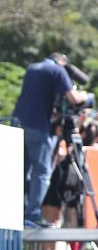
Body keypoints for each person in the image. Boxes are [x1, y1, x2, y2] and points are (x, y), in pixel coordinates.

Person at [12, 53, 91, 227]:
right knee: (42, 172)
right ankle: (32, 215)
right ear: (62, 62)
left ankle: (16, 212)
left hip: (18, 124)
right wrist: (86, 96)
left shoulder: (32, 68)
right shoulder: (57, 70)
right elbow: (72, 98)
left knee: (22, 171)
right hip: (39, 128)